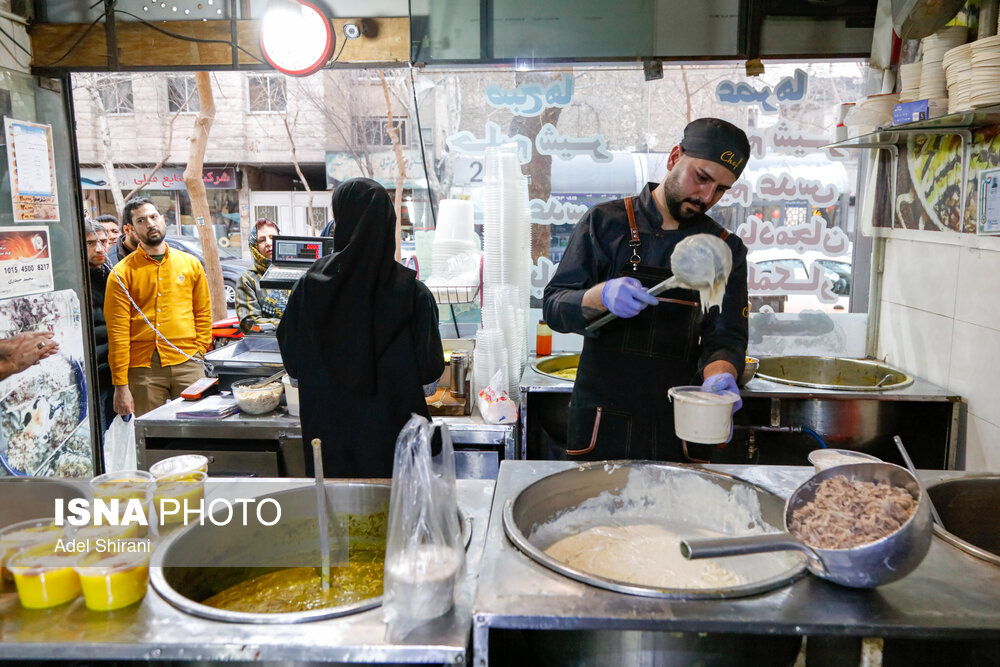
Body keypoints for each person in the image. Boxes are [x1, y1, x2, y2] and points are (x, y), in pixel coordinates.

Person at [542, 118, 750, 462]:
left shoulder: (725, 250)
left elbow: (726, 338)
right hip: (600, 422)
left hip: (681, 423)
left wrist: (721, 377)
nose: (707, 197)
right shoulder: (604, 223)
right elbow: (553, 307)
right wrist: (600, 296)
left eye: (721, 190)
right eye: (702, 178)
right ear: (674, 157)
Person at [277, 178, 444, 478]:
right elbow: (430, 381)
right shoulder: (414, 295)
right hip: (398, 464)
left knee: (332, 524)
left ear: (341, 221)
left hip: (329, 455)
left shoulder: (306, 290)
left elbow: (295, 374)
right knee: (397, 525)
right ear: (387, 224)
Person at [104, 196, 212, 417]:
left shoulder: (190, 264)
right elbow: (117, 332)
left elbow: (202, 312)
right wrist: (121, 385)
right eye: (141, 221)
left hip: (188, 361)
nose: (151, 224)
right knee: (151, 435)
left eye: (154, 217)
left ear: (163, 219)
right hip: (143, 369)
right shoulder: (122, 273)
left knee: (198, 428)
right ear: (129, 229)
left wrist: (200, 349)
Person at [84, 220, 115, 429]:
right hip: (94, 371)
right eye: (90, 243)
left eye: (103, 241)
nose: (99, 248)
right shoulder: (76, 278)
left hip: (115, 369)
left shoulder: (111, 273)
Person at [235, 218, 289, 330]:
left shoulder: (295, 273)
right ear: (255, 246)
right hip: (266, 344)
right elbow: (248, 321)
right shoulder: (248, 279)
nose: (269, 243)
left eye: (273, 238)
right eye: (262, 240)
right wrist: (288, 325)